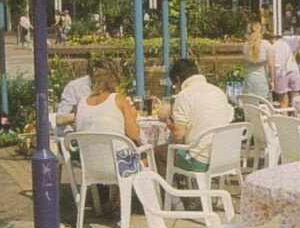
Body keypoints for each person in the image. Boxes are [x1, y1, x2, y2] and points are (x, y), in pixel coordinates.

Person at [67, 66, 143, 213]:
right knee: (147, 157)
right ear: (113, 81)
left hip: (90, 165)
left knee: (123, 151)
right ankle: (153, 204)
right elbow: (134, 133)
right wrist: (131, 117)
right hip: (119, 166)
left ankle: (114, 199)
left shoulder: (81, 103)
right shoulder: (118, 100)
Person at [153, 58, 235, 176]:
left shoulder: (184, 95)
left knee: (159, 152)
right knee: (179, 150)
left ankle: (167, 192)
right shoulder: (218, 92)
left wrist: (166, 119)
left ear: (177, 79)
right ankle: (184, 186)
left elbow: (178, 133)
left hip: (200, 160)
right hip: (225, 155)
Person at [54, 63, 95, 138]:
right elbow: (60, 119)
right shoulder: (75, 87)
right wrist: (87, 114)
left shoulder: (111, 90)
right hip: (76, 137)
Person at [267, 33, 300, 109]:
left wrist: (272, 81)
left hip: (280, 74)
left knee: (283, 101)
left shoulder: (271, 47)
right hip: (293, 71)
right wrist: (295, 54)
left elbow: (272, 65)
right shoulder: (286, 41)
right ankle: (297, 117)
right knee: (296, 98)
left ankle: (285, 118)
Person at [240, 21, 272, 98]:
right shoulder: (266, 44)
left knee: (251, 102)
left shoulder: (245, 45)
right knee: (264, 103)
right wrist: (272, 80)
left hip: (249, 77)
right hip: (262, 78)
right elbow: (271, 65)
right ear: (262, 31)